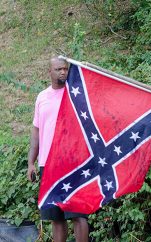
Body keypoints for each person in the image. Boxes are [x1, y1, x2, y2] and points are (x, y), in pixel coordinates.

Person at [27, 56, 89, 242]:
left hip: (72, 162)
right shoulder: (42, 97)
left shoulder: (75, 94)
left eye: (65, 69)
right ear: (50, 72)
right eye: (58, 69)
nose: (63, 72)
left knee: (78, 214)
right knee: (56, 217)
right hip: (48, 164)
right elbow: (36, 130)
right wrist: (31, 162)